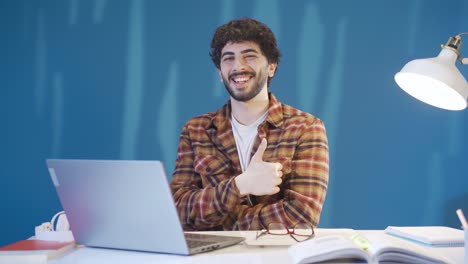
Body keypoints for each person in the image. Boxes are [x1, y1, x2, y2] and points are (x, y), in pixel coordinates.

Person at [170, 18, 329, 231]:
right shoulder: (196, 130)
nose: (238, 66)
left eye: (249, 56)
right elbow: (178, 209)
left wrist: (219, 221)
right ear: (220, 73)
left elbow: (301, 216)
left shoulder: (305, 128)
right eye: (229, 58)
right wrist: (241, 185)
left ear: (271, 67)